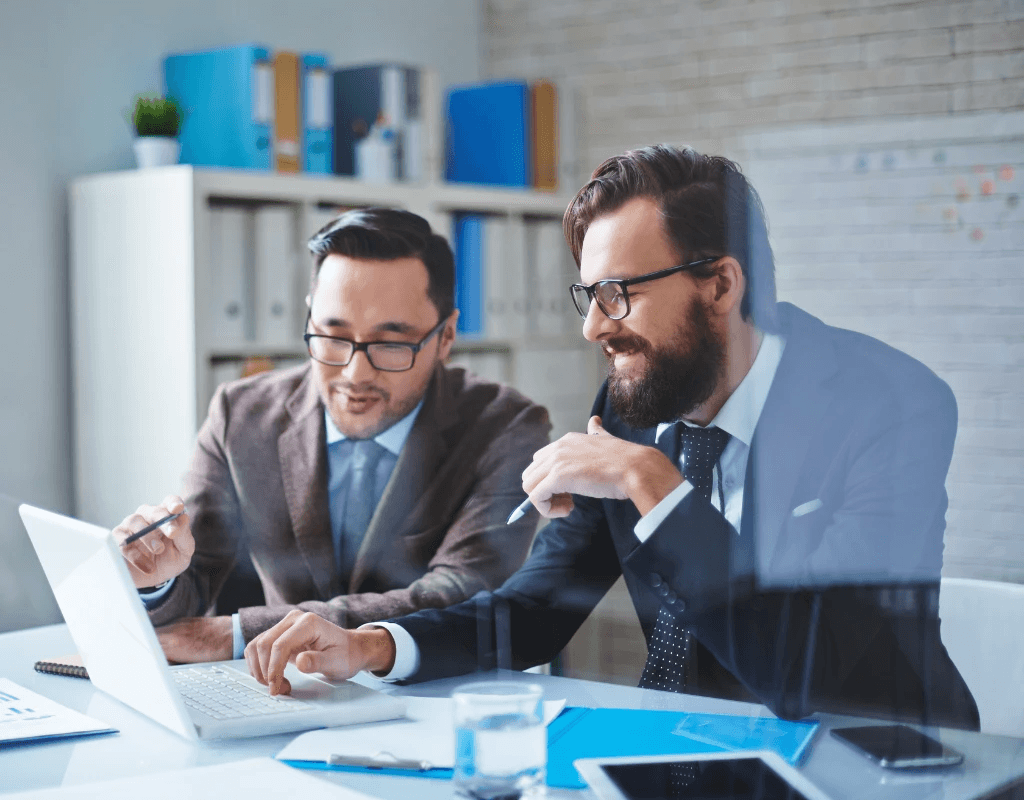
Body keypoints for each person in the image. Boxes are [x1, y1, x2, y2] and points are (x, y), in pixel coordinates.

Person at [242, 147, 979, 729]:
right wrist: (372, 647)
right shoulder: (631, 407)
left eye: (618, 295)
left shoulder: (890, 407)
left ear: (720, 286)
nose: (594, 327)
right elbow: (533, 612)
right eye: (588, 296)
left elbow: (808, 667)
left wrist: (654, 485)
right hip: (683, 757)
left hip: (879, 761)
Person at [114, 208, 551, 663]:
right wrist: (155, 578)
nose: (355, 373)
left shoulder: (507, 427)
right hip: (278, 693)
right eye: (333, 336)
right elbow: (195, 579)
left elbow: (460, 593)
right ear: (310, 318)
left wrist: (240, 632)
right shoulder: (239, 415)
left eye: (391, 344)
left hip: (430, 695)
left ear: (445, 337)